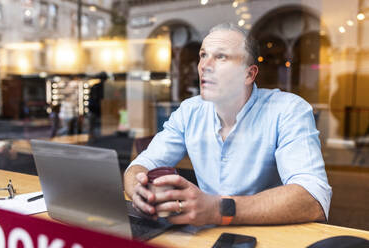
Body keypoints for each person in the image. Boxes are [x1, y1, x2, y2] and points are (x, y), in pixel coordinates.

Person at [124, 23, 332, 226]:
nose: (205, 66)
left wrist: (219, 209)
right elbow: (141, 165)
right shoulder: (190, 111)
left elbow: (313, 198)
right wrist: (139, 192)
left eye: (221, 56)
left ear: (248, 74)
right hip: (207, 236)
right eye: (203, 55)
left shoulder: (288, 110)